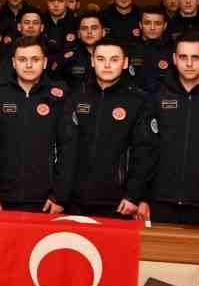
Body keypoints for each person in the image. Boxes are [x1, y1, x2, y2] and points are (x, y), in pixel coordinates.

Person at [128, 34, 199, 228]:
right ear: (174, 59)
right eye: (183, 57)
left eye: (195, 57)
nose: (189, 63)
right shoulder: (157, 97)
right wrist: (140, 197)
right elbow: (144, 151)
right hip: (159, 203)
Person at [54, 38, 152, 219]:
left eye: (114, 59)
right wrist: (60, 195)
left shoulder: (138, 101)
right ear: (92, 61)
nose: (107, 65)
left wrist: (133, 195)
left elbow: (144, 152)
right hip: (75, 200)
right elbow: (66, 148)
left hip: (118, 202)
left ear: (125, 63)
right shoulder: (76, 96)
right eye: (100, 59)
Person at [0, 39, 64, 212]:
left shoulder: (59, 96)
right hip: (1, 197)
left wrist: (59, 195)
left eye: (35, 59)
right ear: (13, 62)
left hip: (46, 200)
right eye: (22, 59)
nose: (29, 65)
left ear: (45, 62)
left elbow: (68, 149)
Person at [127, 6, 172, 93]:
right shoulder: (129, 50)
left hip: (165, 98)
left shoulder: (173, 51)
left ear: (165, 26)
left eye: (158, 23)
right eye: (147, 23)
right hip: (135, 98)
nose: (152, 27)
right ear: (140, 25)